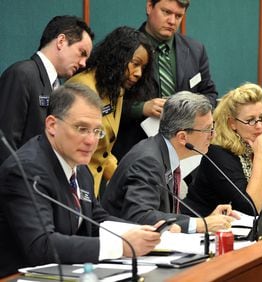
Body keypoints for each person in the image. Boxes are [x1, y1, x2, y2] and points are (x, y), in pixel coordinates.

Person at [0, 84, 163, 277]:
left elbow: (95, 218)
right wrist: (121, 245)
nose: (91, 141)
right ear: (52, 125)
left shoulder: (80, 166)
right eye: (82, 129)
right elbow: (42, 245)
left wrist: (144, 234)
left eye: (97, 131)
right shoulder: (26, 170)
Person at [100, 92, 237, 233]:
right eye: (208, 129)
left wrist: (207, 219)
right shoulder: (148, 161)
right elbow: (140, 216)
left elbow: (165, 213)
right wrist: (200, 224)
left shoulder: (162, 152)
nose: (213, 135)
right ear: (182, 137)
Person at [112, 0, 218, 161]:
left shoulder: (196, 50)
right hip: (135, 151)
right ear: (149, 7)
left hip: (186, 152)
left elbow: (210, 94)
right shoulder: (125, 46)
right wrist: (141, 108)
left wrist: (190, 108)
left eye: (178, 16)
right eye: (166, 12)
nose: (172, 21)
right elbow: (105, 102)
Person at [67, 26, 155, 197]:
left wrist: (126, 181)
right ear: (117, 57)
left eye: (143, 68)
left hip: (94, 187)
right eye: (135, 64)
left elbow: (103, 153)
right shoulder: (82, 89)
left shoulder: (116, 90)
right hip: (73, 186)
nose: (138, 73)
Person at [183, 83, 262, 216]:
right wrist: (260, 157)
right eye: (250, 120)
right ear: (232, 123)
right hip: (204, 230)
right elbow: (251, 208)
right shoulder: (217, 154)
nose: (259, 126)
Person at [0, 15, 94, 165]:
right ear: (61, 41)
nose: (83, 63)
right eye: (82, 53)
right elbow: (5, 144)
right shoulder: (22, 74)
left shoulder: (58, 87)